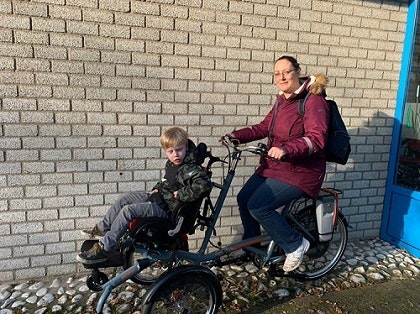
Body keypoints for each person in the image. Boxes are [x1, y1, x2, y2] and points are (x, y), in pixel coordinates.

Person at [227, 55, 330, 272]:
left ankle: (296, 244)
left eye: (286, 71)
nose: (281, 77)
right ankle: (253, 248)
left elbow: (316, 138)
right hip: (275, 167)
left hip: (302, 171)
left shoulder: (313, 100)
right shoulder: (282, 101)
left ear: (298, 71)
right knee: (244, 198)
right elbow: (265, 127)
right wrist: (237, 136)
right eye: (277, 73)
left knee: (258, 206)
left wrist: (286, 149)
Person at [77, 127, 212, 264]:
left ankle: (103, 248)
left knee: (128, 211)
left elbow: (204, 185)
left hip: (168, 209)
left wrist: (182, 193)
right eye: (170, 151)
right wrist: (157, 188)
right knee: (126, 198)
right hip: (160, 198)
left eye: (179, 150)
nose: (175, 154)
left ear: (186, 146)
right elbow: (166, 181)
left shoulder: (190, 168)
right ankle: (103, 228)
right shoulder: (172, 163)